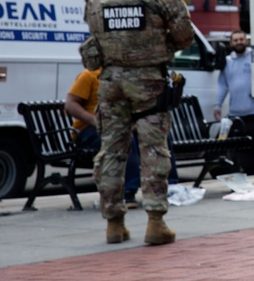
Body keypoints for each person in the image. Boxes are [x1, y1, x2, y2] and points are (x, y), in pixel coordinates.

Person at [83, 0, 194, 245]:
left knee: (111, 151)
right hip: (149, 83)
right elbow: (185, 36)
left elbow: (95, 36)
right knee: (153, 149)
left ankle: (114, 224)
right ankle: (155, 222)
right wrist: (159, 46)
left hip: (111, 82)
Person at [64, 68, 173, 210]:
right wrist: (95, 120)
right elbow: (70, 104)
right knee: (124, 137)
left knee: (156, 133)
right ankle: (127, 192)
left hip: (118, 125)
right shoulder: (89, 75)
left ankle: (171, 186)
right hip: (89, 130)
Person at [214, 30, 254, 175]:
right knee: (238, 150)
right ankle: (243, 176)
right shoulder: (227, 62)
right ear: (231, 43)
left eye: (241, 39)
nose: (239, 42)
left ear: (246, 41)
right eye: (236, 40)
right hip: (236, 114)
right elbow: (222, 85)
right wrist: (217, 105)